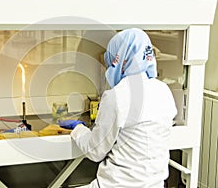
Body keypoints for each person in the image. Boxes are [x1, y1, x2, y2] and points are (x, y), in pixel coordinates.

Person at [60, 28, 177, 187]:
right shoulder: (163, 90)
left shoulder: (117, 95)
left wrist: (78, 129)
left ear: (119, 59)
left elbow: (95, 150)